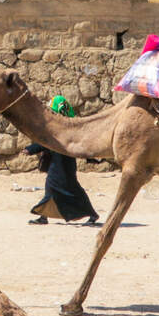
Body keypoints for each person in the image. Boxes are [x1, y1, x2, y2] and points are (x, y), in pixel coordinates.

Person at [25, 95, 99, 226]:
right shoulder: (66, 126)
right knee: (59, 188)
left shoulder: (63, 128)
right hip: (61, 164)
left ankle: (92, 214)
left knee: (65, 188)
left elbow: (47, 143)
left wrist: (31, 149)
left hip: (62, 165)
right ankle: (43, 216)